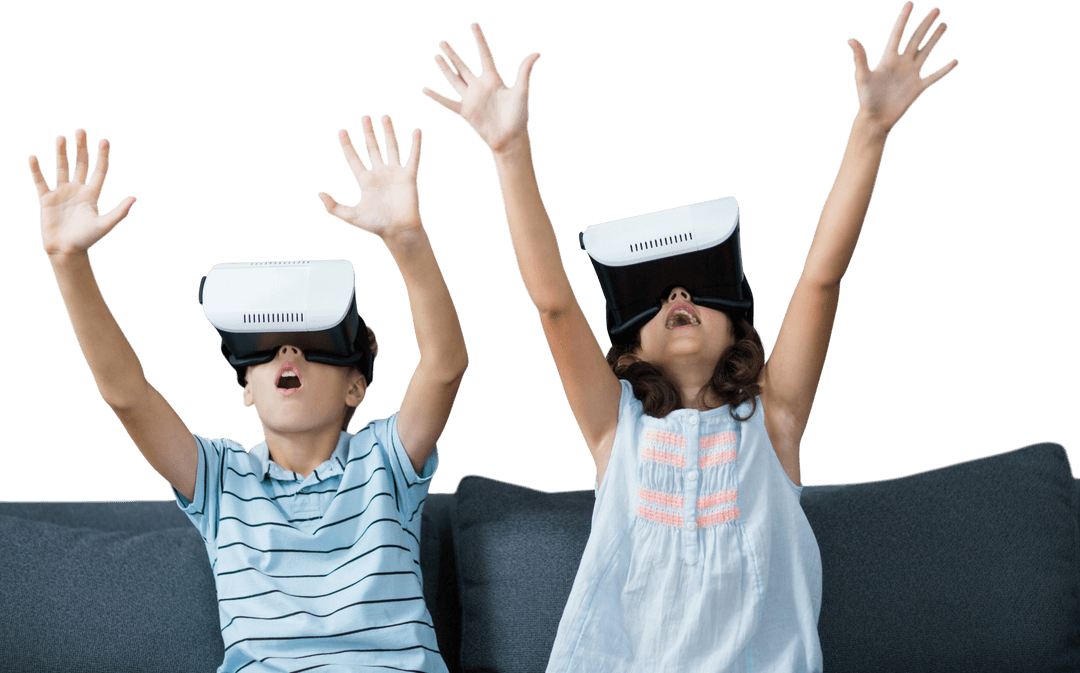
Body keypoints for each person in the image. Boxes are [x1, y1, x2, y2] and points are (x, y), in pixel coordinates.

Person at [421, 4, 956, 670]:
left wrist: (870, 130)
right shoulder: (615, 430)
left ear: (736, 324)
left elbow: (821, 278)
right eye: (656, 295)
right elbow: (554, 305)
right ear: (629, 349)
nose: (678, 296)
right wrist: (508, 150)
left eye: (699, 287)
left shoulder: (774, 421)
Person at [30, 115, 467, 673]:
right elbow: (128, 397)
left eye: (312, 344)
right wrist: (69, 263)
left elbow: (445, 366)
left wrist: (407, 239)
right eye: (268, 350)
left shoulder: (387, 460)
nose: (289, 355)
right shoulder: (221, 479)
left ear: (356, 385)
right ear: (246, 391)